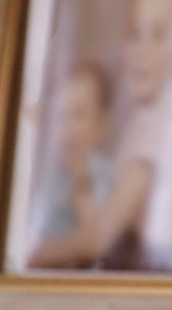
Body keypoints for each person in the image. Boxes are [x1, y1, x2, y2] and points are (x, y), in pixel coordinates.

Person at [30, 0, 172, 271]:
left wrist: (26, 255)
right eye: (134, 34)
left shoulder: (163, 126)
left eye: (158, 35)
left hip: (153, 273)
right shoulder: (151, 114)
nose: (141, 50)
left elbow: (99, 238)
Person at [28, 62, 114, 268]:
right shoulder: (54, 174)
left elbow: (95, 236)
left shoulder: (96, 170)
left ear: (100, 126)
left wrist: (81, 184)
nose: (67, 127)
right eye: (60, 116)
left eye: (78, 115)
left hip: (74, 271)